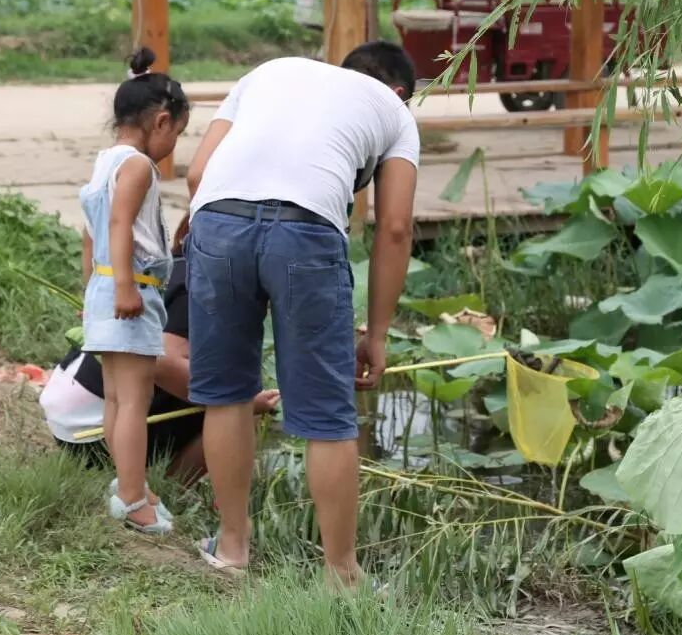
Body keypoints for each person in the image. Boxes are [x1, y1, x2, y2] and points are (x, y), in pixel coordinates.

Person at [185, 41, 419, 579]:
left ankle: (232, 549)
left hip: (218, 221)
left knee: (225, 395)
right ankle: (341, 574)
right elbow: (396, 227)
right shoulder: (395, 113)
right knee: (327, 417)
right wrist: (377, 334)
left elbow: (198, 174)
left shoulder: (270, 72)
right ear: (401, 92)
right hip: (306, 233)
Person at [40, 217, 281, 485]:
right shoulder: (204, 285)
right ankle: (168, 486)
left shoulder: (175, 268)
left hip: (71, 413)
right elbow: (163, 362)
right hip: (92, 430)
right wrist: (242, 402)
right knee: (239, 406)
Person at [79, 48, 190, 535]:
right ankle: (131, 499)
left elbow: (91, 229)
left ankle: (130, 485)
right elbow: (122, 221)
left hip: (104, 288)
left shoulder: (104, 162)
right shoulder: (139, 166)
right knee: (135, 401)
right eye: (178, 135)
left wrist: (97, 283)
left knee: (115, 398)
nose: (174, 146)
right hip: (131, 291)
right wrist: (125, 286)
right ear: (161, 121)